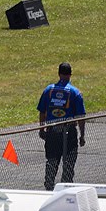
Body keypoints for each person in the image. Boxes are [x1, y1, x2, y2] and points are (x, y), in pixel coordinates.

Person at [38, 62, 86, 190]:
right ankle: (67, 190)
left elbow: (42, 111)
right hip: (69, 132)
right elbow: (81, 116)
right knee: (69, 164)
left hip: (52, 131)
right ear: (70, 74)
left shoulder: (49, 90)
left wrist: (42, 129)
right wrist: (82, 135)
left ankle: (48, 189)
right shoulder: (75, 92)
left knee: (51, 162)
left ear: (59, 74)